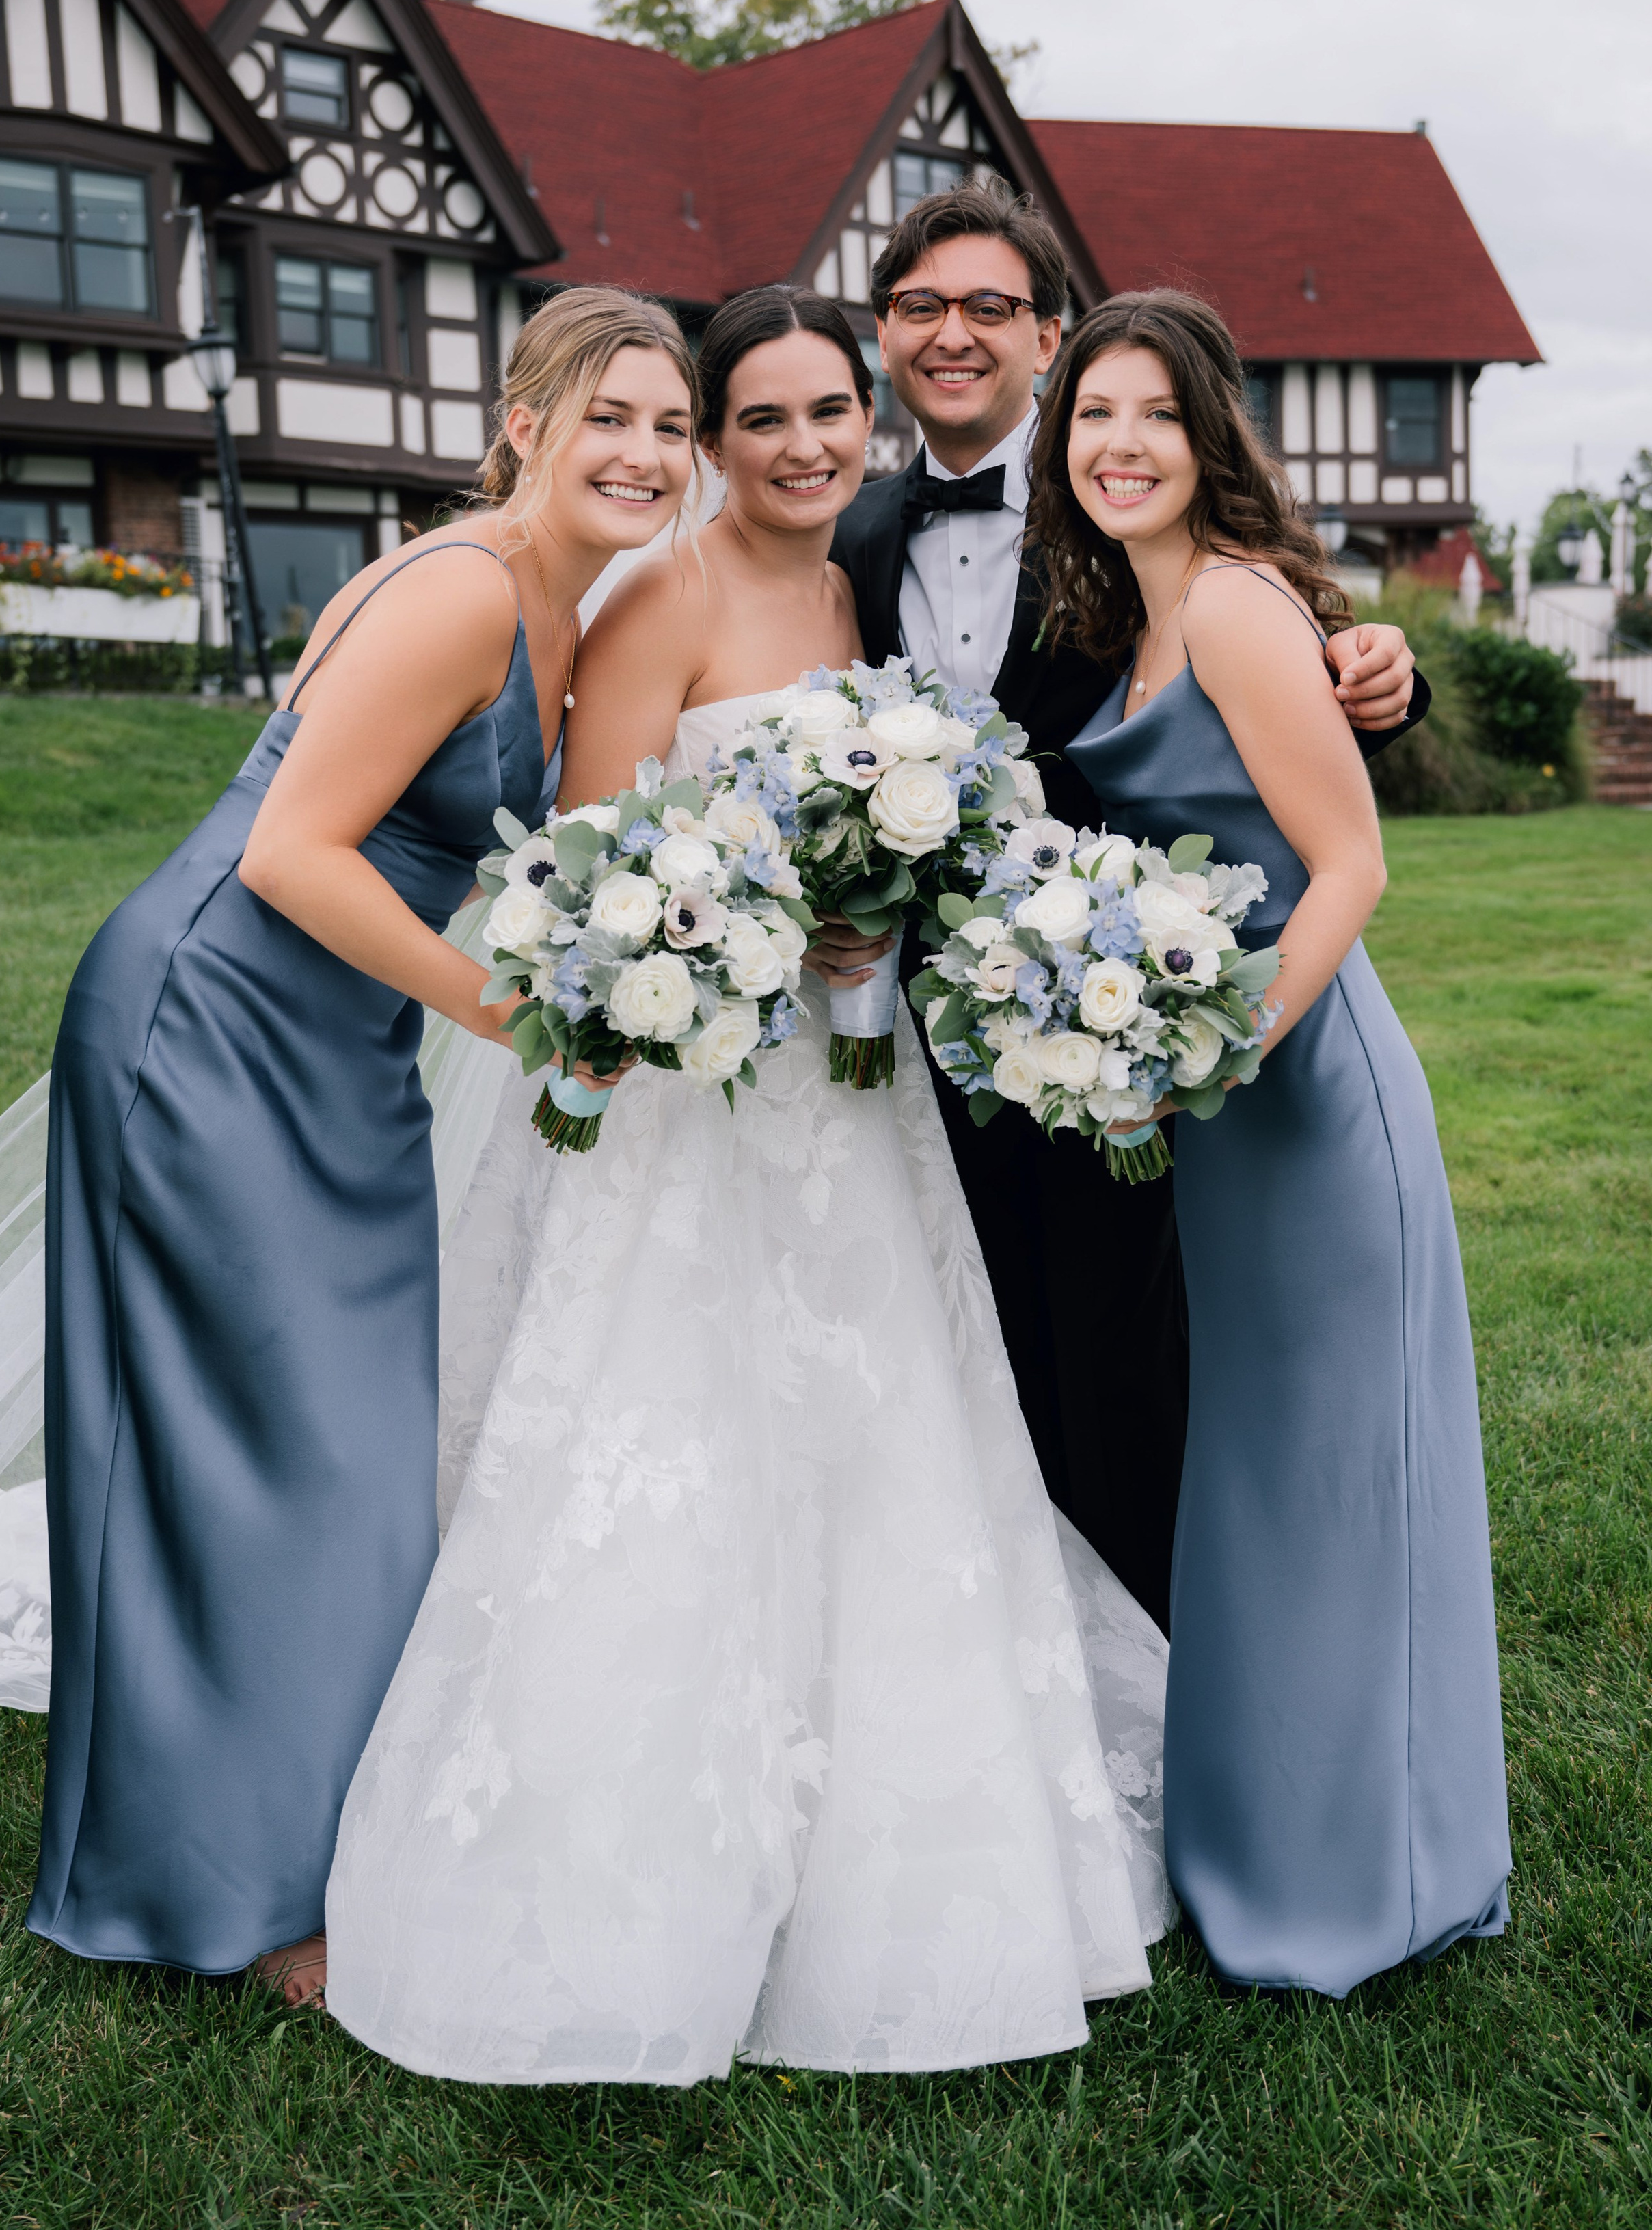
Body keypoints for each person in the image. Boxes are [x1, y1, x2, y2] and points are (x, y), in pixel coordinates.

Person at [322, 285, 1172, 2084]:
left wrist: (862, 927)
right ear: (710, 441)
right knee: (683, 1426)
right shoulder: (664, 596)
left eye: (827, 416)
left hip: (846, 1097)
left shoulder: (848, 587)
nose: (803, 447)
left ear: (865, 425)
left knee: (882, 1438)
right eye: (762, 420)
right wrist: (758, 938)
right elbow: (597, 868)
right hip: (688, 1091)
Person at [24, 286, 696, 2001]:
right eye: (604, 414)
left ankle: (292, 1842)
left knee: (349, 1445)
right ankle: (216, 1892)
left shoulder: (565, 606)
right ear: (524, 421)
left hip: (337, 1050)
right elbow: (292, 855)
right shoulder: (465, 587)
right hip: (212, 1026)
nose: (642, 451)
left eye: (668, 426)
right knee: (267, 1453)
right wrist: (509, 1010)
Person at [828, 180, 1425, 1633]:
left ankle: (1158, 1681)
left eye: (988, 308)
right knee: (964, 1374)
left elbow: (1281, 666)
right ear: (887, 338)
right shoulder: (843, 532)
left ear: (1044, 336)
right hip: (913, 1035)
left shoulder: (1127, 520)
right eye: (919, 308)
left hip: (1127, 1032)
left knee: (1132, 1378)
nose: (951, 335)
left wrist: (1386, 679)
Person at [1047, 287, 1509, 1995]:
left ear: (1208, 434)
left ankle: (1370, 1874)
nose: (1116, 443)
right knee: (1259, 1481)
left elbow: (1348, 866)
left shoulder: (1237, 608)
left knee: (1339, 1488)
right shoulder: (1138, 627)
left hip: (1308, 1107)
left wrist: (1219, 1048)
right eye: (1090, 414)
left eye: (1151, 414)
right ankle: (1261, 1842)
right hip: (1228, 1125)